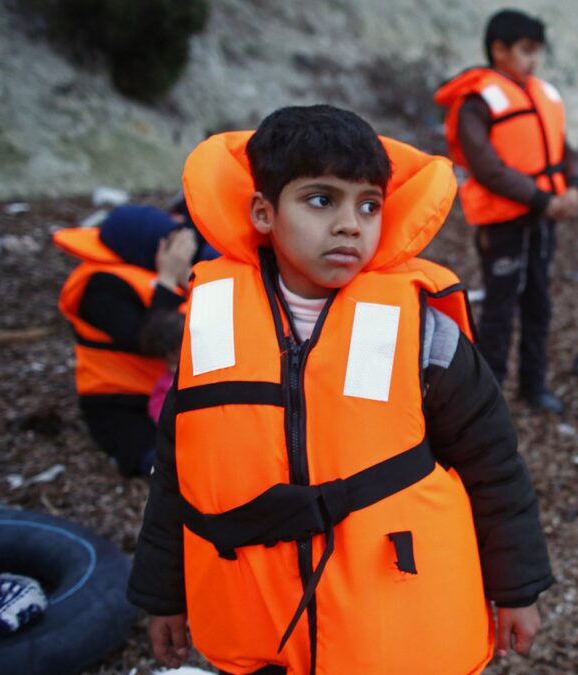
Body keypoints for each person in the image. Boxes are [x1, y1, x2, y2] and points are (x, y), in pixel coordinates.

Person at [127, 105, 554, 675]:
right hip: (259, 617)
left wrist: (518, 588)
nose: (351, 224)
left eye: (369, 205)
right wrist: (164, 595)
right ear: (263, 212)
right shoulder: (212, 331)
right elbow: (177, 474)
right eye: (321, 200)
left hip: (391, 619)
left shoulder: (425, 335)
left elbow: (493, 465)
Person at [433, 8, 578, 415]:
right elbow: (486, 166)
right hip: (506, 222)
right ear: (498, 50)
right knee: (500, 307)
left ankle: (534, 385)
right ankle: (490, 394)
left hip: (542, 219)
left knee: (539, 302)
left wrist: (575, 187)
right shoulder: (476, 102)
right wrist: (543, 199)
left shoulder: (543, 94)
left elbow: (563, 149)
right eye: (525, 50)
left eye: (538, 52)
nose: (533, 60)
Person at [53, 204, 198, 476]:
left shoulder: (152, 276)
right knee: (162, 463)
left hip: (168, 391)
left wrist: (188, 279)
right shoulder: (100, 289)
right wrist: (168, 279)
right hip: (120, 403)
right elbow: (152, 340)